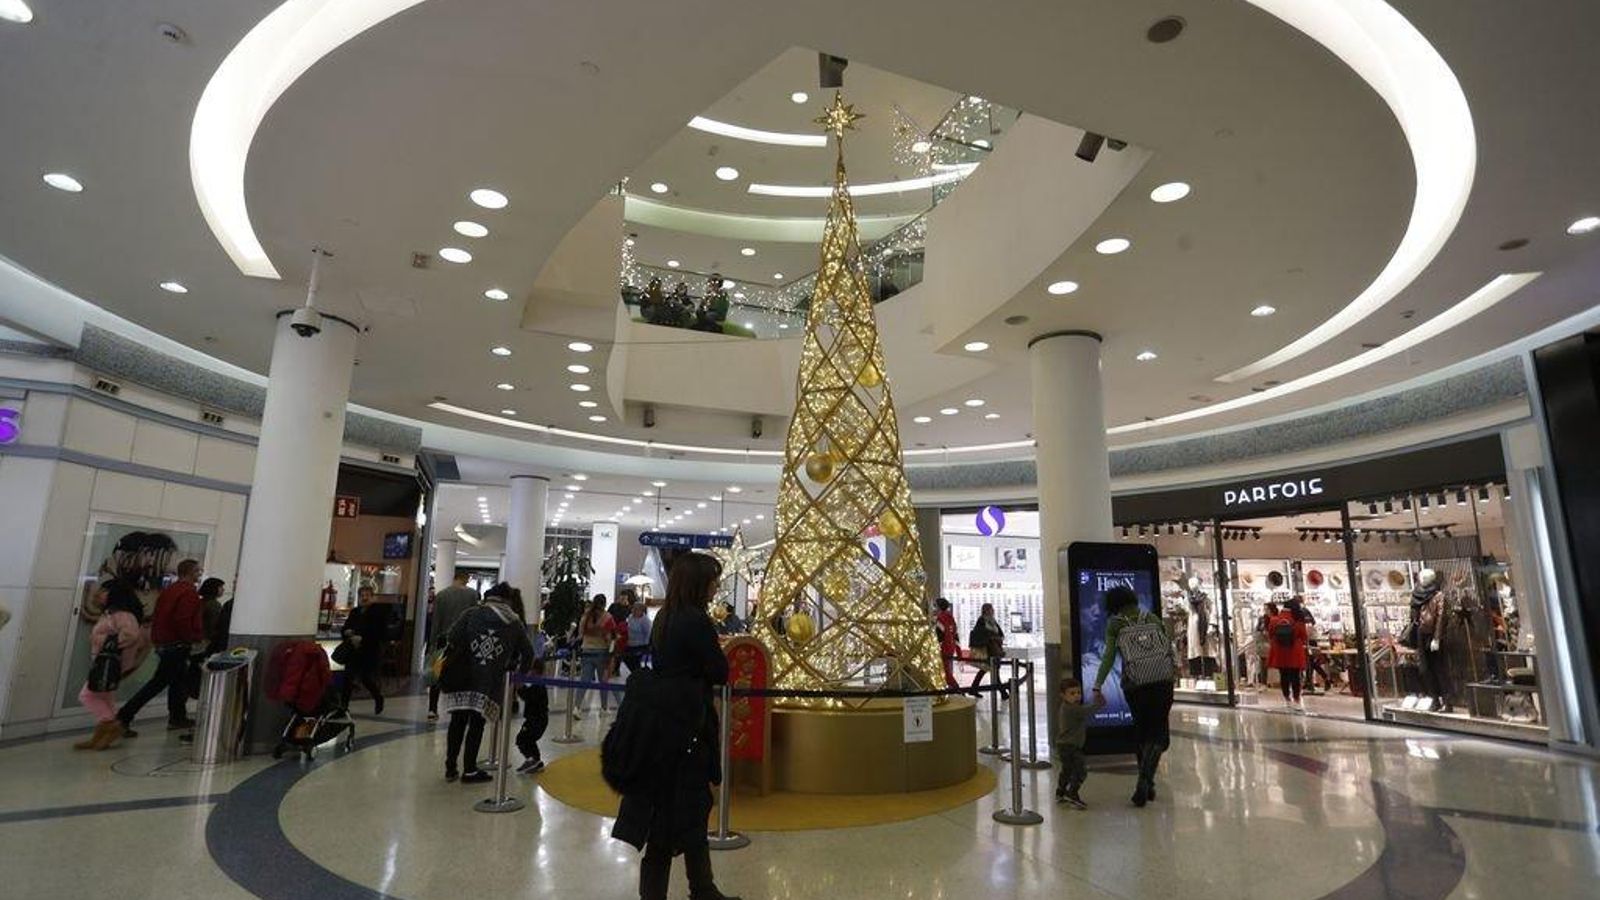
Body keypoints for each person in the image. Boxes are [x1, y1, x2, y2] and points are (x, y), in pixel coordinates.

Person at [612, 552, 740, 900]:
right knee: (678, 818)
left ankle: (703, 887)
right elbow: (718, 670)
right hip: (686, 723)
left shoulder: (666, 617)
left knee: (681, 816)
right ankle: (695, 889)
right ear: (700, 582)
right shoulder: (695, 621)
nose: (717, 585)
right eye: (713, 579)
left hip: (665, 721)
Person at [1092, 586, 1176, 807]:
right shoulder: (1152, 617)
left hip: (1136, 685)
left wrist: (1098, 685)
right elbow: (1168, 648)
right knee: (1159, 735)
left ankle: (1146, 781)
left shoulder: (1116, 623)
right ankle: (1146, 780)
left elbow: (1109, 656)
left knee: (1142, 732)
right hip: (1163, 682)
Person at [438, 590, 533, 783]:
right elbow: (528, 652)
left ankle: (450, 767)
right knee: (477, 724)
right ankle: (470, 769)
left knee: (458, 721)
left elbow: (452, 637)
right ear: (507, 601)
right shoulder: (513, 622)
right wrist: (519, 676)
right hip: (488, 681)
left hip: (462, 675)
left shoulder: (470, 614)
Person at [117, 558, 205, 732]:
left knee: (178, 682)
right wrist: (192, 638)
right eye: (197, 571)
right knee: (159, 682)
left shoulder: (169, 591)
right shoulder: (188, 593)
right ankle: (124, 716)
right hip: (177, 644)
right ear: (189, 572)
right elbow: (182, 620)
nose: (199, 574)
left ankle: (177, 717)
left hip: (165, 643)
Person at [75, 580, 150, 751]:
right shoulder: (112, 613)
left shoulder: (122, 614)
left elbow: (131, 635)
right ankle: (101, 737)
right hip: (107, 662)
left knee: (87, 695)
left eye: (104, 590)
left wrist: (103, 640)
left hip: (111, 663)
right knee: (105, 697)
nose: (99, 594)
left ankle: (112, 724)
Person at [428, 571, 481, 721]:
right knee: (460, 675)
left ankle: (432, 708)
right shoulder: (472, 595)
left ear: (454, 578)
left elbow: (436, 621)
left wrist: (432, 644)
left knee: (436, 675)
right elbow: (473, 620)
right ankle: (457, 708)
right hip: (463, 642)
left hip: (443, 640)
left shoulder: (442, 595)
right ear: (465, 579)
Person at [338, 587, 389, 714]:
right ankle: (343, 707)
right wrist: (347, 632)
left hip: (368, 651)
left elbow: (380, 632)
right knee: (348, 678)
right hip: (353, 651)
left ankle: (378, 697)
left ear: (372, 597)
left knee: (366, 678)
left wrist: (362, 638)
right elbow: (345, 627)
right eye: (362, 595)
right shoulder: (355, 612)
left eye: (367, 595)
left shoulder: (378, 612)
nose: (364, 598)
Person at [1055, 677, 1092, 809]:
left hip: (1064, 745)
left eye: (1078, 693)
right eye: (1072, 693)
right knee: (1081, 770)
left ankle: (1061, 791)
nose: (1077, 696)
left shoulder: (1068, 707)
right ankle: (1072, 793)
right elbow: (1087, 711)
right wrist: (1099, 703)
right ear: (1063, 695)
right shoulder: (1071, 709)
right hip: (1070, 746)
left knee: (1067, 769)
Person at [1267, 597, 1309, 710]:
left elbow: (1270, 635)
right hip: (1294, 652)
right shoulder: (1298, 620)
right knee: (1295, 677)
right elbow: (1304, 636)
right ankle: (1297, 700)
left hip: (1280, 653)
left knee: (1284, 676)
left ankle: (1287, 699)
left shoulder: (1274, 620)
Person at [574, 594, 611, 716]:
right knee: (603, 681)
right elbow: (610, 637)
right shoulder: (607, 617)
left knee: (584, 680)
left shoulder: (585, 617)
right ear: (604, 604)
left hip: (586, 650)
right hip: (602, 652)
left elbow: (580, 635)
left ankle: (577, 707)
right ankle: (604, 708)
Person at [967, 602, 1009, 701]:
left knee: (985, 669)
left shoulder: (992, 621)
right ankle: (1003, 693)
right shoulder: (982, 620)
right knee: (994, 670)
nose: (993, 610)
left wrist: (997, 638)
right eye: (991, 609)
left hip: (994, 649)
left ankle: (973, 688)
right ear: (986, 610)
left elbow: (1000, 632)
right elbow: (981, 633)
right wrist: (992, 636)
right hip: (988, 650)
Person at [934, 598, 960, 690]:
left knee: (946, 672)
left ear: (939, 607)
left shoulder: (940, 618)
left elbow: (939, 636)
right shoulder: (951, 618)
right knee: (947, 670)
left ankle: (958, 690)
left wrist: (936, 648)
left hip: (943, 648)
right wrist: (958, 652)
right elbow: (955, 635)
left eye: (935, 606)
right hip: (951, 647)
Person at [621, 600, 653, 676]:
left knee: (634, 659)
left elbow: (648, 634)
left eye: (636, 609)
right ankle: (637, 673)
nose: (633, 610)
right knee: (625, 657)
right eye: (633, 608)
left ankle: (638, 674)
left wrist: (647, 646)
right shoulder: (630, 617)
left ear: (641, 611)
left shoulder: (645, 621)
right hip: (630, 643)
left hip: (641, 644)